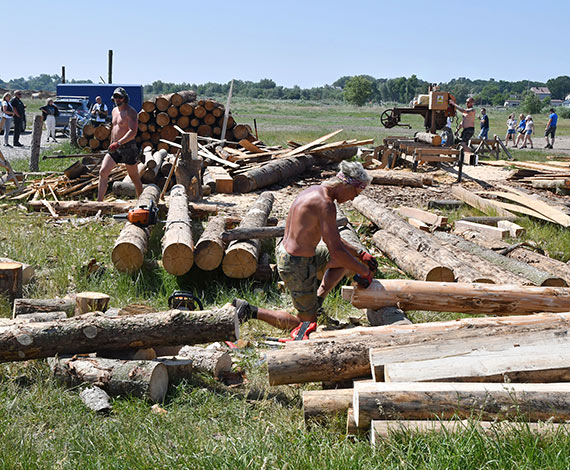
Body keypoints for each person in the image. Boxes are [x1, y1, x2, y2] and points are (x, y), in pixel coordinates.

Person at [232, 161, 376, 333]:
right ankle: (249, 310)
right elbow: (336, 251)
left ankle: (317, 302)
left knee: (349, 259)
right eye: (355, 192)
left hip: (292, 254)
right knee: (305, 324)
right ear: (346, 184)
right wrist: (363, 271)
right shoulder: (326, 204)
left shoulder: (315, 191)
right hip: (295, 263)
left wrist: (360, 254)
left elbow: (334, 240)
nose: (353, 198)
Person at [97, 87, 143, 202]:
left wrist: (119, 143)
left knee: (134, 177)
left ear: (125, 98)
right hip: (114, 147)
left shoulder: (130, 112)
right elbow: (114, 128)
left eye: (120, 97)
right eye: (116, 97)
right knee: (103, 172)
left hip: (128, 147)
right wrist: (112, 142)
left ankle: (142, 201)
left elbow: (133, 132)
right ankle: (99, 202)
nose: (118, 99)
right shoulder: (114, 111)